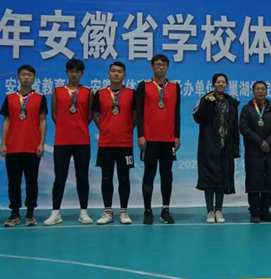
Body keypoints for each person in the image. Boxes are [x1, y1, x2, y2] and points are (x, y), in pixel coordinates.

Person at [44, 58, 93, 226]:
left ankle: (84, 212)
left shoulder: (88, 92)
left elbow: (89, 115)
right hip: (62, 141)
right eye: (71, 71)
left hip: (82, 141)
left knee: (82, 177)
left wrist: (79, 126)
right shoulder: (57, 91)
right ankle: (55, 213)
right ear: (66, 73)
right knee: (60, 177)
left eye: (77, 72)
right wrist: (65, 127)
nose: (74, 74)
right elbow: (54, 114)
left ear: (82, 74)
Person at [0, 65, 47, 227]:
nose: (26, 77)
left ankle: (30, 213)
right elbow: (6, 121)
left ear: (34, 78)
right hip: (13, 147)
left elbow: (42, 121)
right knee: (13, 182)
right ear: (18, 77)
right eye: (23, 75)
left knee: (32, 181)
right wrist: (3, 143)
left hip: (32, 147)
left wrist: (41, 143)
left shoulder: (40, 98)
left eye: (29, 75)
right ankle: (14, 213)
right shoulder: (10, 98)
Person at [136, 54, 181, 225]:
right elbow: (139, 112)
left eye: (163, 65)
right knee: (149, 174)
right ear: (152, 66)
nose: (160, 67)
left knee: (167, 175)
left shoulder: (174, 87)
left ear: (167, 67)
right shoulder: (144, 86)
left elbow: (177, 112)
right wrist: (140, 134)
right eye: (157, 64)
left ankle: (165, 210)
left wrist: (177, 136)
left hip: (168, 139)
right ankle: (148, 210)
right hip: (149, 139)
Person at [193, 73, 240, 223]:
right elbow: (197, 118)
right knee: (209, 179)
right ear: (213, 84)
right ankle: (210, 211)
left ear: (226, 84)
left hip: (225, 147)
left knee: (222, 179)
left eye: (223, 82)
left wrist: (235, 148)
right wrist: (207, 103)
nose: (221, 84)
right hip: (208, 146)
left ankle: (219, 210)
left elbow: (235, 128)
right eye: (218, 82)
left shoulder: (231, 102)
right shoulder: (206, 99)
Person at [92, 61, 135, 225]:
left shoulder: (131, 94)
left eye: (120, 71)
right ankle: (108, 211)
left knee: (124, 178)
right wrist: (103, 127)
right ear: (108, 74)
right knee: (106, 177)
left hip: (125, 143)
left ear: (125, 75)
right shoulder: (100, 94)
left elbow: (136, 114)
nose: (116, 74)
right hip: (106, 143)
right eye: (113, 71)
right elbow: (95, 113)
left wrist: (128, 128)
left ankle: (124, 211)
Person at [240, 81, 271, 223]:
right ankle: (254, 212)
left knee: (268, 181)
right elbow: (244, 128)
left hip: (270, 150)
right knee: (254, 181)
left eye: (262, 89)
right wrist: (260, 142)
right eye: (257, 89)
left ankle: (265, 211)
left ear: (266, 91)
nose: (260, 91)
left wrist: (268, 141)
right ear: (253, 91)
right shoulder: (247, 109)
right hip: (253, 151)